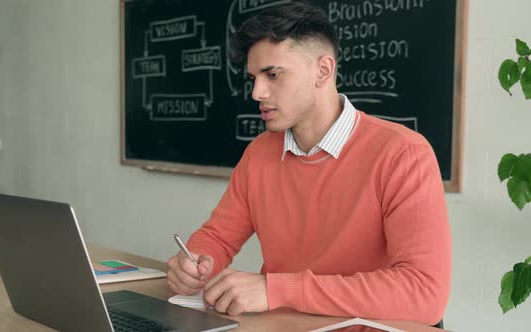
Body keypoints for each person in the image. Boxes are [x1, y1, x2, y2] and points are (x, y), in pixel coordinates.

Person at [166, 0, 451, 326]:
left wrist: (277, 289)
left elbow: (425, 294)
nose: (257, 92)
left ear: (323, 70)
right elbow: (217, 237)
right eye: (254, 77)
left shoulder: (403, 154)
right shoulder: (259, 153)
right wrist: (196, 263)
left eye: (273, 74)